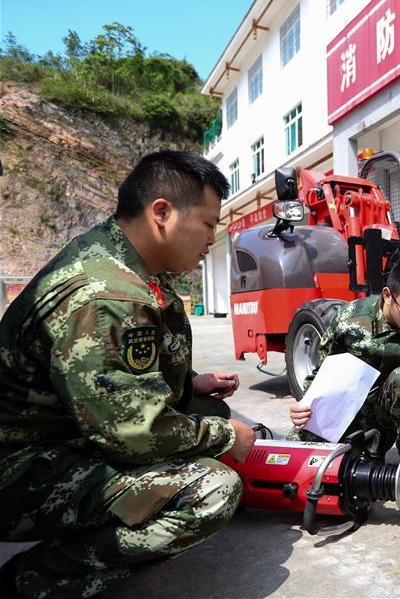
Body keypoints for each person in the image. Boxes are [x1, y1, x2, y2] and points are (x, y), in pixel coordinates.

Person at [0, 150, 257, 598]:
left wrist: (188, 383)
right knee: (212, 489)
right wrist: (225, 435)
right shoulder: (106, 294)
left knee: (203, 405)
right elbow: (134, 434)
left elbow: (120, 369)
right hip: (19, 471)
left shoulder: (126, 260)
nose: (210, 240)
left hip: (65, 429)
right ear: (162, 212)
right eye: (209, 224)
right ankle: (34, 580)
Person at [288, 255, 400, 505]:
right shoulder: (349, 318)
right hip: (346, 414)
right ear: (388, 295)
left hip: (390, 415)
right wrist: (304, 405)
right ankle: (365, 453)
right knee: (293, 465)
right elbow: (321, 373)